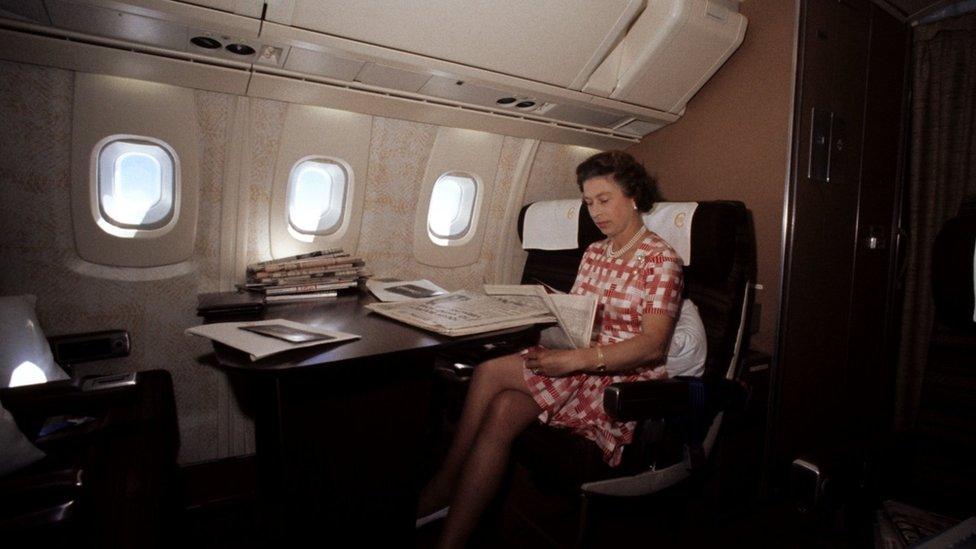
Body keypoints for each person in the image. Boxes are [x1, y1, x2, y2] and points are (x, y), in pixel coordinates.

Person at [417, 150, 688, 548]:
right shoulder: (596, 252)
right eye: (589, 202)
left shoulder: (661, 260)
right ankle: (451, 537)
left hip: (618, 381)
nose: (595, 211)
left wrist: (577, 359)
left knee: (490, 372)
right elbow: (582, 318)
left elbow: (652, 346)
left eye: (604, 199)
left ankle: (443, 484)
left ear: (633, 196)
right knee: (502, 410)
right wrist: (549, 307)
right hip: (578, 364)